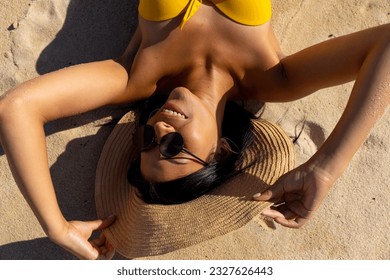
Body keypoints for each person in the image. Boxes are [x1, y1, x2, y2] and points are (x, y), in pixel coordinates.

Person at [0, 0, 389, 259]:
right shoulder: (275, 78)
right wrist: (325, 167)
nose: (160, 126)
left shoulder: (136, 76)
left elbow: (17, 109)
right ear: (220, 151)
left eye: (149, 140)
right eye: (173, 147)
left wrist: (56, 226)